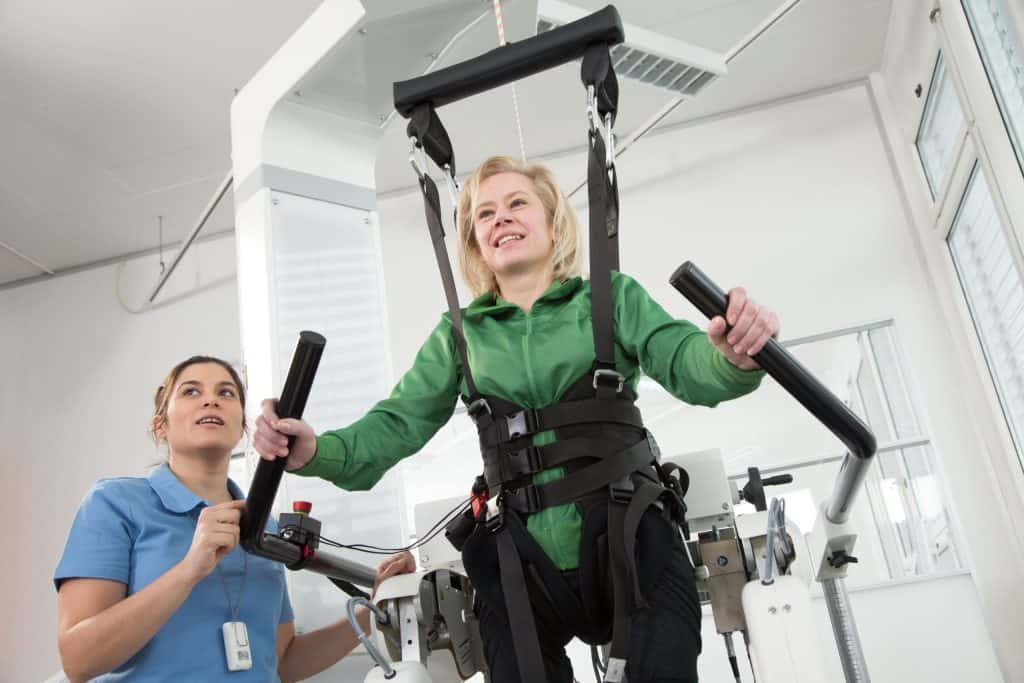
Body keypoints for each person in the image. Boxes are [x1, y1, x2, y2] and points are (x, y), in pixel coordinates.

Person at [254, 156, 780, 683]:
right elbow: (395, 424)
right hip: (520, 558)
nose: (500, 218)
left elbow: (689, 361)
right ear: (476, 243)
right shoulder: (459, 336)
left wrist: (731, 358)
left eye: (516, 204)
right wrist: (316, 450)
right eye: (484, 215)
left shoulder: (611, 298)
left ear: (552, 223)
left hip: (631, 536)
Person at [54, 355, 416, 682]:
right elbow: (80, 660)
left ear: (242, 426)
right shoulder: (115, 504)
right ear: (160, 425)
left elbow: (281, 661)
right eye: (191, 391)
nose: (211, 399)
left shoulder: (264, 528)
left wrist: (374, 609)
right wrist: (189, 570)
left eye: (226, 393)